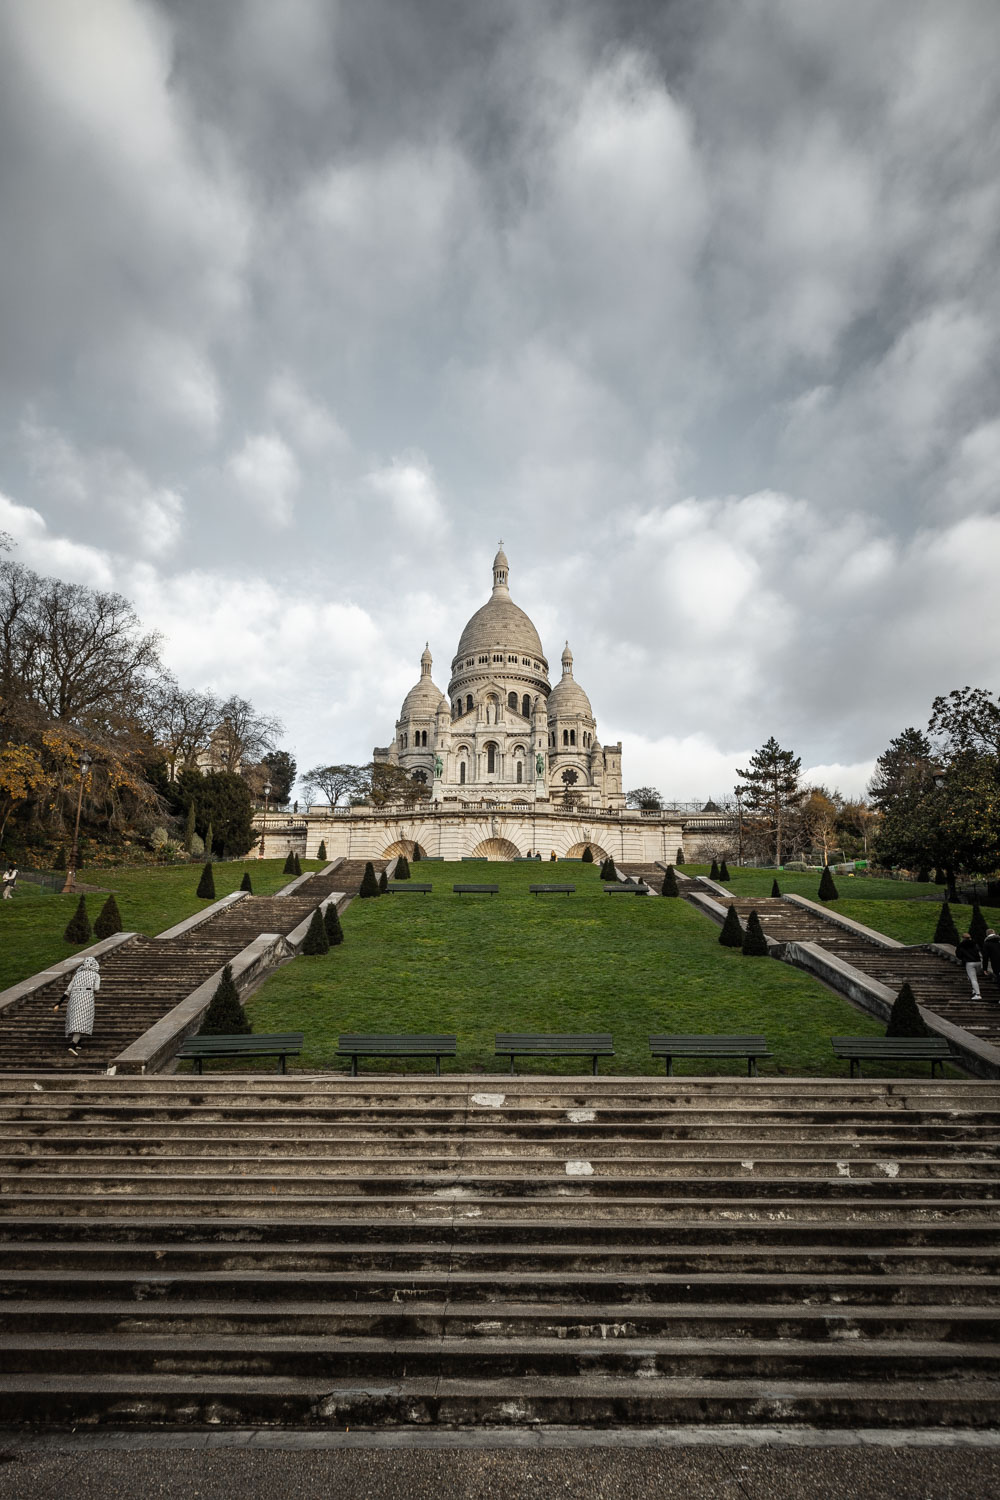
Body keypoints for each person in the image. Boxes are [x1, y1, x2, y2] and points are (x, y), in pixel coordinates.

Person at [54, 956, 101, 1055]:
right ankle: (73, 1045)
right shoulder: (95, 975)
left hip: (74, 998)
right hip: (87, 999)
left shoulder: (77, 975)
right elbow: (96, 988)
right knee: (82, 1020)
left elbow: (68, 990)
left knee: (76, 1019)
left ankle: (78, 1042)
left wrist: (59, 1003)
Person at [955, 932, 983, 1000]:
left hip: (969, 963)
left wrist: (963, 958)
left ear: (963, 938)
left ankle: (977, 994)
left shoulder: (961, 945)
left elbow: (958, 955)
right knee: (974, 977)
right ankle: (974, 990)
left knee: (973, 979)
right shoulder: (975, 944)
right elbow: (979, 951)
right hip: (978, 962)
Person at [981, 929, 1000, 998]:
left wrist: (985, 968)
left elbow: (985, 957)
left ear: (987, 935)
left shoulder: (987, 943)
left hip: (997, 964)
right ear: (994, 933)